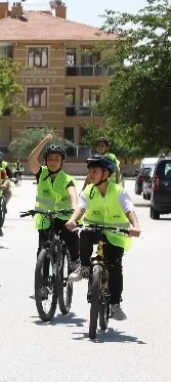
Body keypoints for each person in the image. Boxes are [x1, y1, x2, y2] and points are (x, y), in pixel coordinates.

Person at [66, 154, 140, 321]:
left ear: (105, 174)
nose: (91, 174)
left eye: (95, 171)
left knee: (114, 267)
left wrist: (135, 226)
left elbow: (129, 209)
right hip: (94, 229)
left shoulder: (118, 191)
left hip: (116, 235)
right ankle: (84, 267)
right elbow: (81, 208)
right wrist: (73, 220)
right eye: (90, 170)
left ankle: (115, 304)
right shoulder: (88, 191)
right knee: (84, 233)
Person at [27, 134, 80, 270]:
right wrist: (43, 142)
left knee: (71, 236)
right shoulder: (41, 173)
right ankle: (43, 286)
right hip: (45, 217)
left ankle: (75, 261)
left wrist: (74, 215)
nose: (53, 162)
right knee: (42, 251)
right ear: (45, 161)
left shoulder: (67, 179)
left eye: (57, 159)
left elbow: (73, 198)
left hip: (64, 217)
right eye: (50, 159)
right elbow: (31, 160)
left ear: (62, 162)